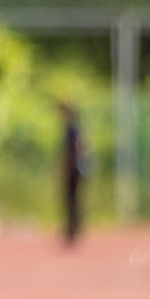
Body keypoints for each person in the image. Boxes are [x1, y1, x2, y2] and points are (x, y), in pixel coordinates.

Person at [59, 102, 86, 246]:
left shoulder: (72, 129)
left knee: (72, 200)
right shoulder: (74, 128)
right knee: (72, 200)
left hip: (74, 170)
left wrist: (68, 167)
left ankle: (73, 229)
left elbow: (74, 150)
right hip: (76, 169)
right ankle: (73, 228)